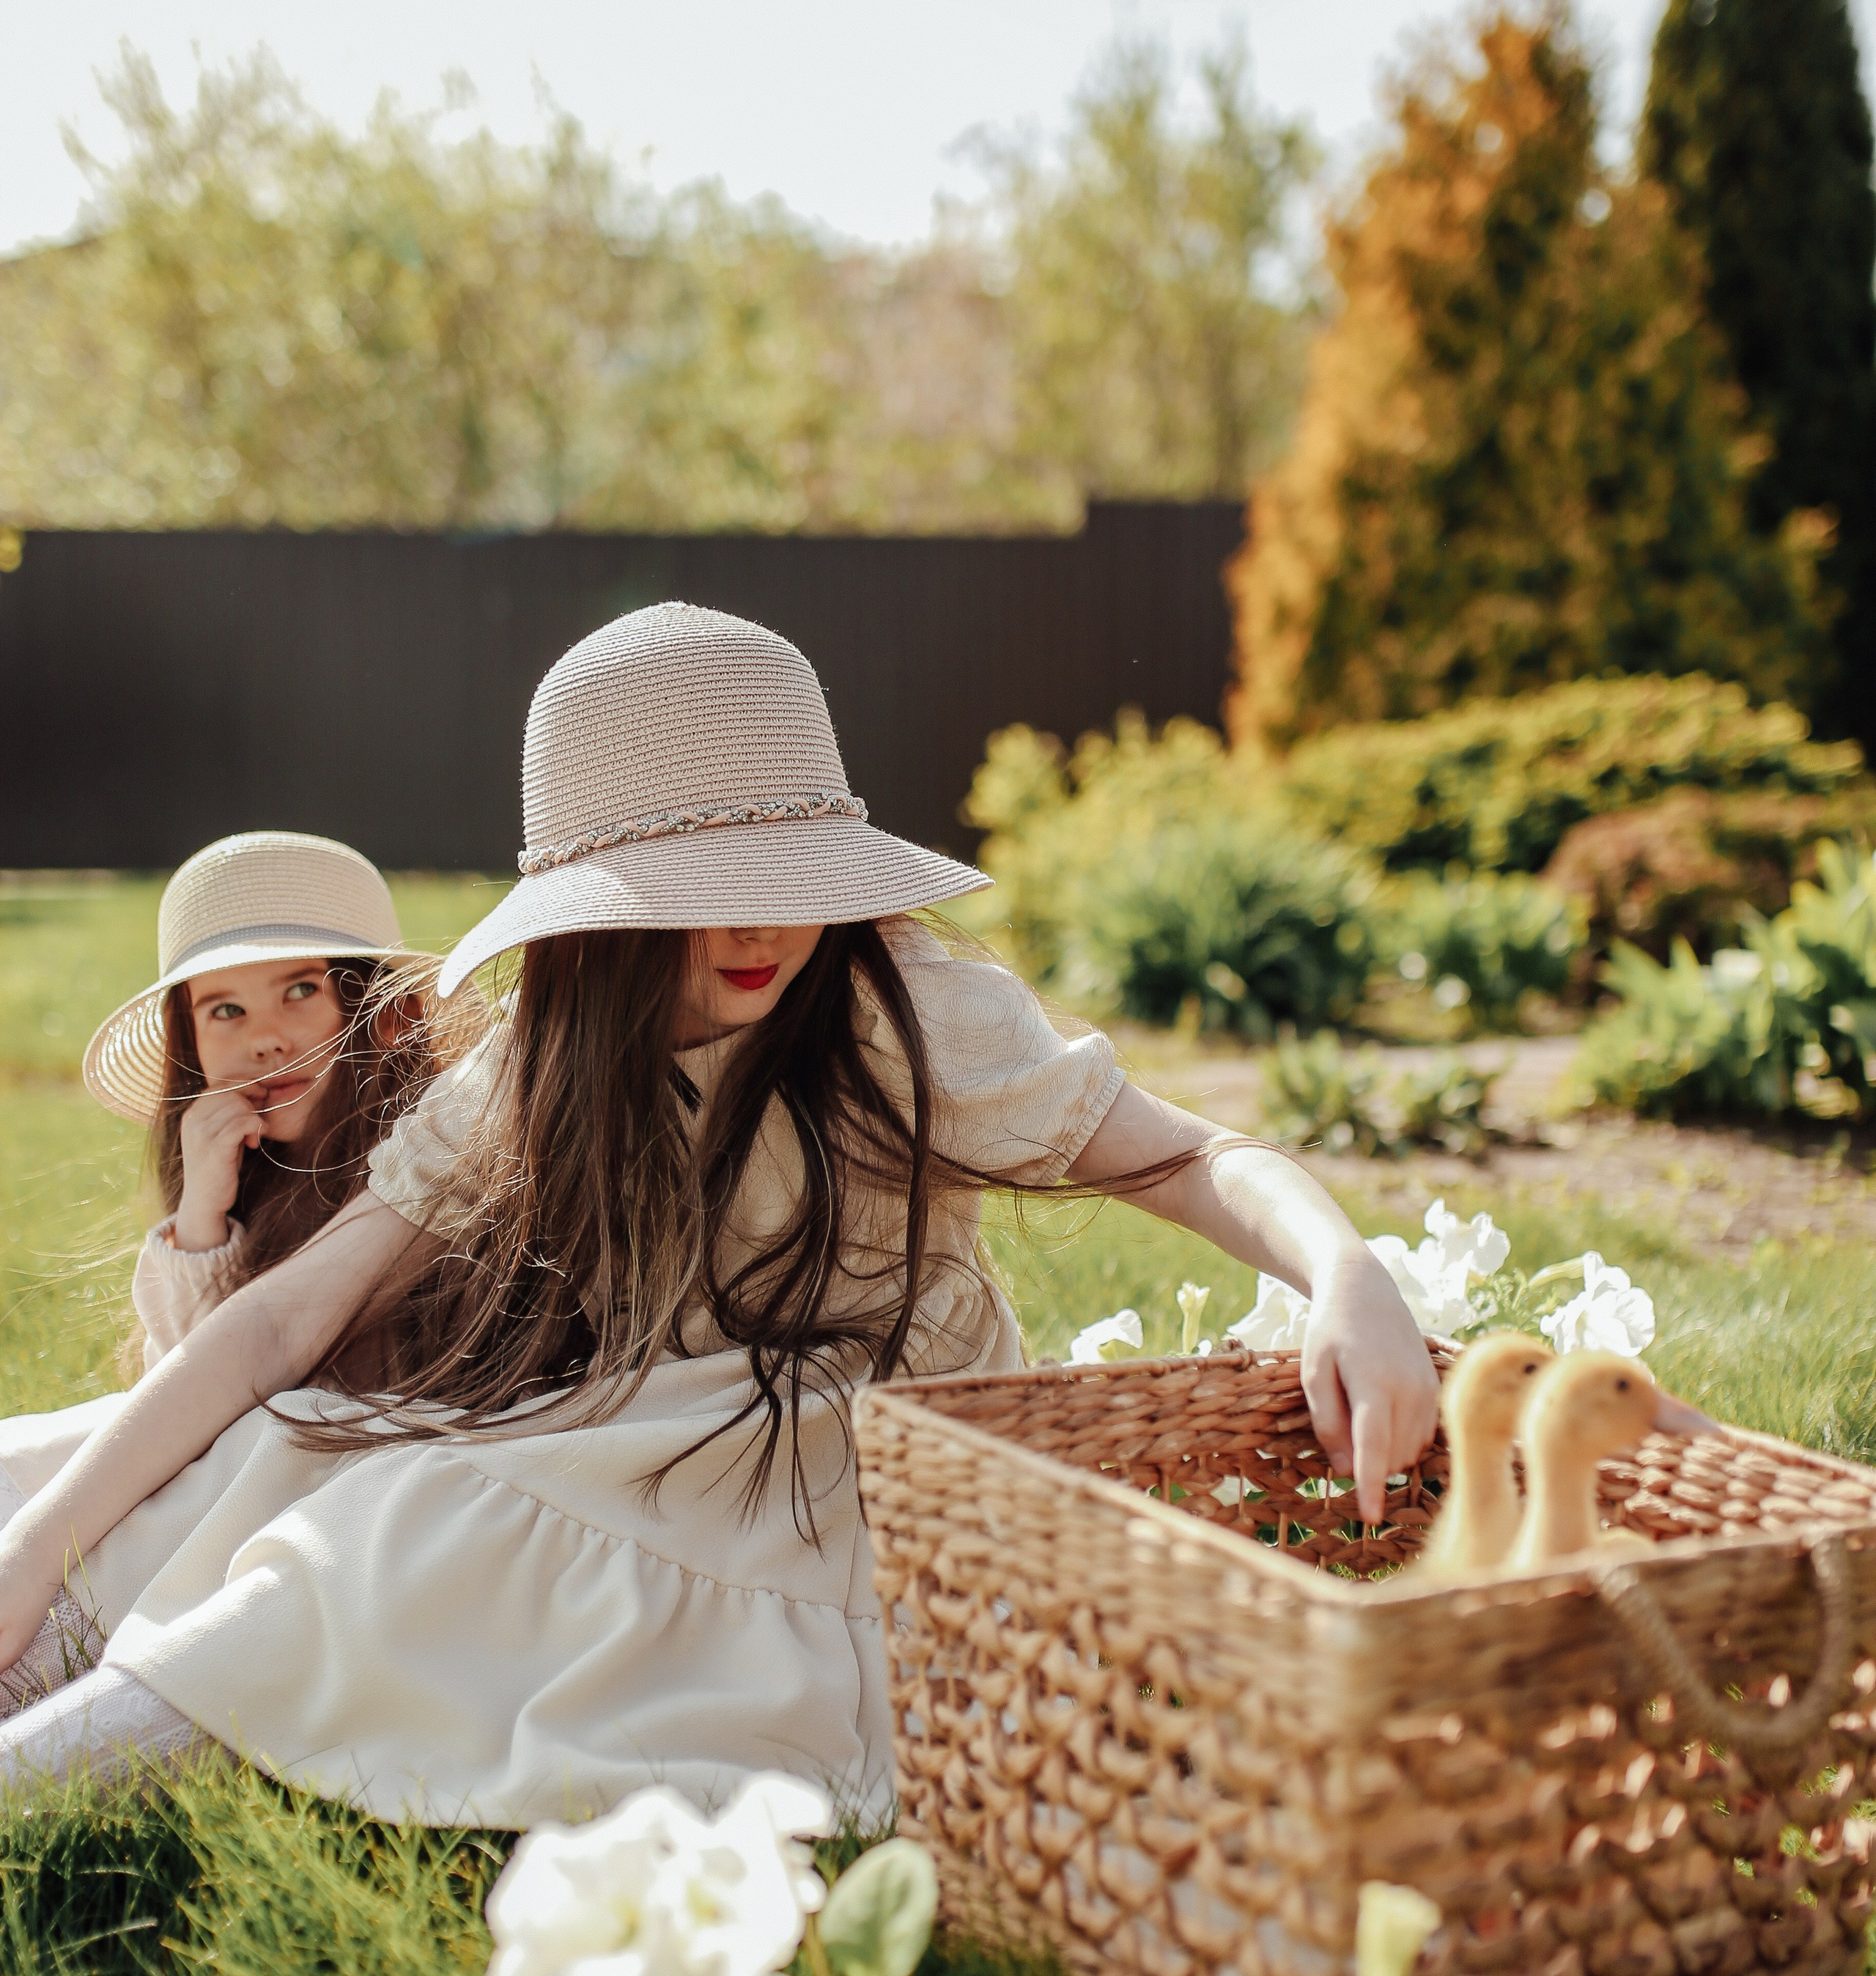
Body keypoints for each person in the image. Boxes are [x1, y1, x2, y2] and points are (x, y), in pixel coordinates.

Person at [0, 605, 1439, 1818]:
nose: (758, 930)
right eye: (703, 894)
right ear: (599, 924)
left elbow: (1183, 1159)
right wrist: (42, 1542)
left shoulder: (899, 1009)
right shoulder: (536, 1066)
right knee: (200, 1459)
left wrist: (1342, 1271)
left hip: (841, 1465)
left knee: (394, 1530)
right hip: (629, 1423)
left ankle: (53, 1770)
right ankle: (39, 1643)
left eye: (785, 881)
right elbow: (282, 1324)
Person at [0, 830, 459, 1698]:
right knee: (37, 1459)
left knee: (128, 1530)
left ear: (376, 1007)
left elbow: (266, 1401)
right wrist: (203, 1215)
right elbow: (181, 1391)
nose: (265, 1040)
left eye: (299, 992)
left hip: (354, 1474)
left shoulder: (430, 1155)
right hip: (244, 1453)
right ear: (192, 1044)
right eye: (226, 1011)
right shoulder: (248, 1179)